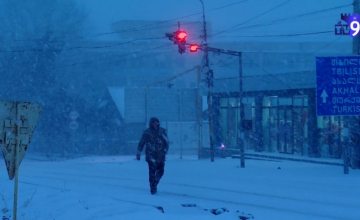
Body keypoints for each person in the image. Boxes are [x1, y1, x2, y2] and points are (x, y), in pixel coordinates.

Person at [136, 117, 169, 194]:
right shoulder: (147, 132)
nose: (155, 124)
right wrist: (138, 153)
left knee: (161, 171)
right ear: (150, 123)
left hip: (161, 155)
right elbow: (142, 143)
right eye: (153, 122)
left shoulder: (162, 131)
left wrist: (164, 151)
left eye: (156, 122)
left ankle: (155, 182)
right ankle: (152, 187)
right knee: (152, 171)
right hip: (151, 155)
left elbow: (167, 142)